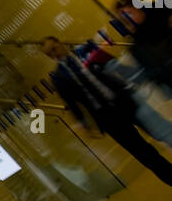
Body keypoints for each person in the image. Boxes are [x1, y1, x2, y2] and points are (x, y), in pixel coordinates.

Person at [41, 36, 172, 186]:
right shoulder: (59, 77)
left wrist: (138, 80)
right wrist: (84, 125)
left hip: (126, 102)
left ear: (60, 42)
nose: (54, 54)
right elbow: (72, 104)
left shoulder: (87, 52)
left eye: (54, 48)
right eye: (49, 53)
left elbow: (115, 66)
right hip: (108, 119)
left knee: (162, 132)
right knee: (144, 154)